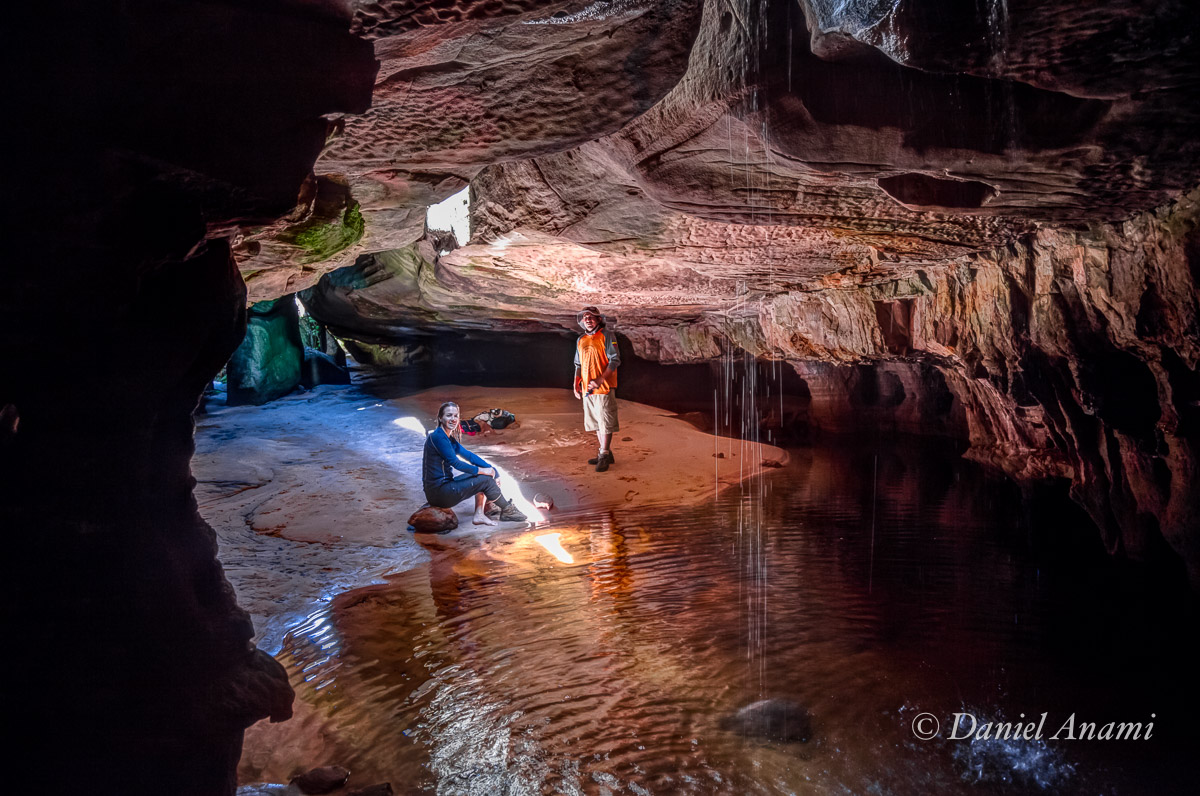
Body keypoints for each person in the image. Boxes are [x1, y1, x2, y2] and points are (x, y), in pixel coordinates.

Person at [423, 402, 527, 525]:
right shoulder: (438, 437)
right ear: (440, 418)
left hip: (442, 488)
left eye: (456, 416)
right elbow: (456, 463)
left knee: (484, 475)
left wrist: (491, 469)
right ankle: (507, 510)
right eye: (449, 415)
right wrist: (484, 471)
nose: (453, 419)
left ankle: (479, 514)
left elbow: (468, 455)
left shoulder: (446, 437)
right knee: (485, 479)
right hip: (440, 493)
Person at [572, 305, 621, 472]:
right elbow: (577, 364)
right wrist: (575, 383)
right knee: (596, 422)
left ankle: (604, 454)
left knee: (605, 422)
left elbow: (614, 360)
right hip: (587, 388)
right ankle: (605, 451)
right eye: (585, 317)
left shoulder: (607, 336)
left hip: (604, 387)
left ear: (599, 319)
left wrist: (601, 379)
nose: (588, 319)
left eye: (592, 317)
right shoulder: (581, 340)